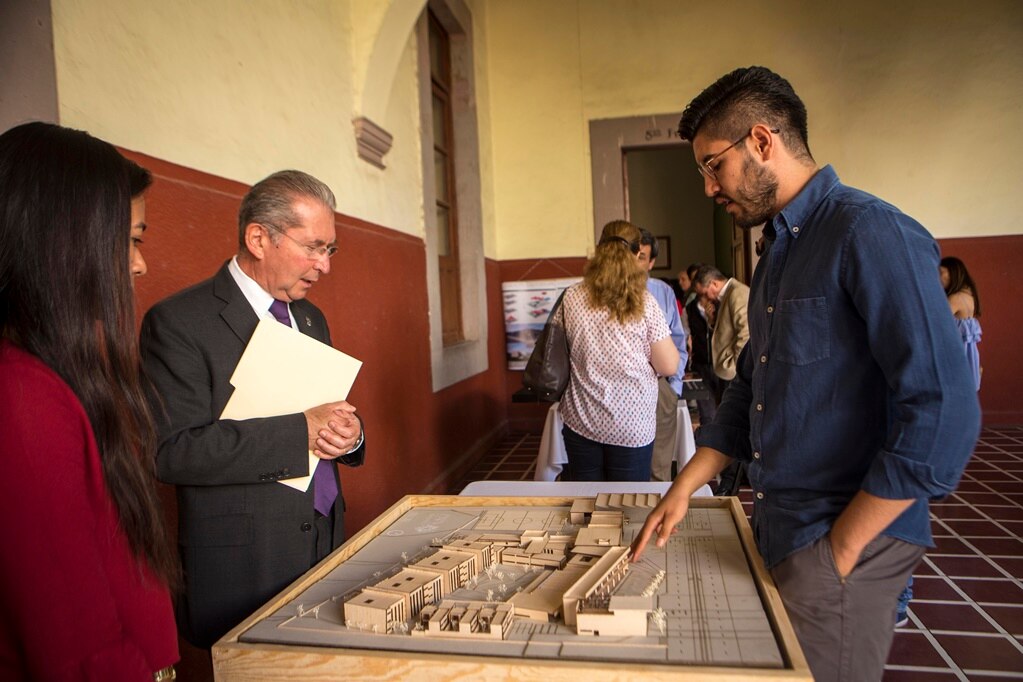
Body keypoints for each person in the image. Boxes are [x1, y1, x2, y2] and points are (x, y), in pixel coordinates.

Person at [632, 66, 980, 681]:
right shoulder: (777, 254)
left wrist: (841, 551)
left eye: (713, 165)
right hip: (784, 525)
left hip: (842, 535)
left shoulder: (869, 231)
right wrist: (685, 488)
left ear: (761, 142)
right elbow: (750, 391)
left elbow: (945, 410)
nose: (709, 188)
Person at [140, 170, 367, 649]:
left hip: (325, 531)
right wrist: (299, 433)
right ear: (259, 238)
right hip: (247, 554)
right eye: (313, 247)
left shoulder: (310, 315)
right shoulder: (179, 322)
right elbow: (171, 451)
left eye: (330, 250)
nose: (323, 266)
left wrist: (351, 434)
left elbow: (323, 409)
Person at [0, 122, 179, 679]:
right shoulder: (22, 398)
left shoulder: (51, 373)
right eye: (132, 239)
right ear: (65, 239)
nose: (139, 264)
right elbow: (76, 643)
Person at [554, 220, 679, 481]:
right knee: (627, 505)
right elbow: (668, 366)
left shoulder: (572, 296)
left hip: (581, 418)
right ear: (636, 254)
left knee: (587, 501)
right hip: (631, 423)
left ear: (598, 250)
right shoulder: (644, 301)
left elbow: (558, 350)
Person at [638, 228, 688, 482]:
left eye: (642, 257)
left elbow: (679, 340)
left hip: (660, 384)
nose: (636, 263)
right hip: (622, 388)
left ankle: (656, 520)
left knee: (659, 468)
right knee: (628, 470)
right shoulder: (604, 292)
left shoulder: (662, 292)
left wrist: (674, 386)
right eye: (632, 255)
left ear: (652, 262)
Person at [693, 265, 750, 385]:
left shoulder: (737, 293)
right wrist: (712, 320)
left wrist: (736, 366)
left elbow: (746, 333)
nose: (705, 298)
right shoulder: (725, 296)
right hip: (726, 370)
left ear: (714, 283)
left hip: (734, 372)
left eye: (704, 293)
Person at [940, 256, 982, 390]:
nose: (938, 277)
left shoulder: (956, 298)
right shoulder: (970, 296)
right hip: (968, 354)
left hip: (955, 354)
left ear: (953, 272)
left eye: (940, 272)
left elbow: (936, 320)